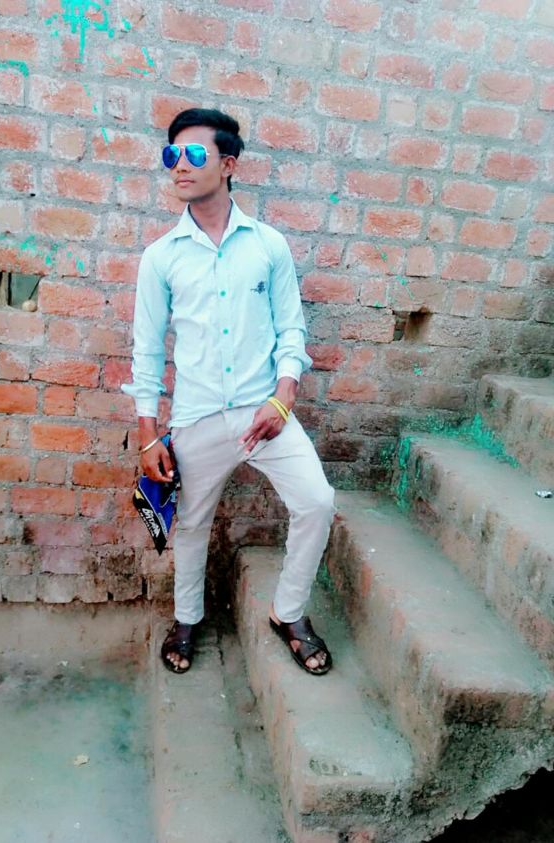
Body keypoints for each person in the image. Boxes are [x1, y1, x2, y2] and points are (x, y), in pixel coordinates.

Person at [122, 108, 336, 676]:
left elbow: (291, 331)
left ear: (229, 164)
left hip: (264, 411)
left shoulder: (268, 245)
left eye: (195, 154)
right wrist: (148, 437)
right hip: (196, 418)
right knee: (192, 525)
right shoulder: (161, 258)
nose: (180, 166)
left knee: (317, 501)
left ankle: (288, 613)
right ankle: (187, 619)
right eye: (172, 155)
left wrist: (282, 398)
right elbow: (147, 351)